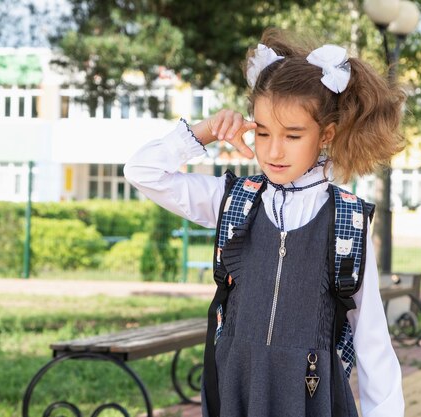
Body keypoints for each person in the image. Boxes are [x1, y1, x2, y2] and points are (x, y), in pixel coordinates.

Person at [125, 27, 405, 417]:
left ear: (325, 134)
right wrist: (205, 131)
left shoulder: (347, 221)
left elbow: (372, 340)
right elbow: (142, 171)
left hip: (311, 396)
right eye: (261, 131)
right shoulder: (233, 200)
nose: (273, 150)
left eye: (292, 135)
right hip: (237, 388)